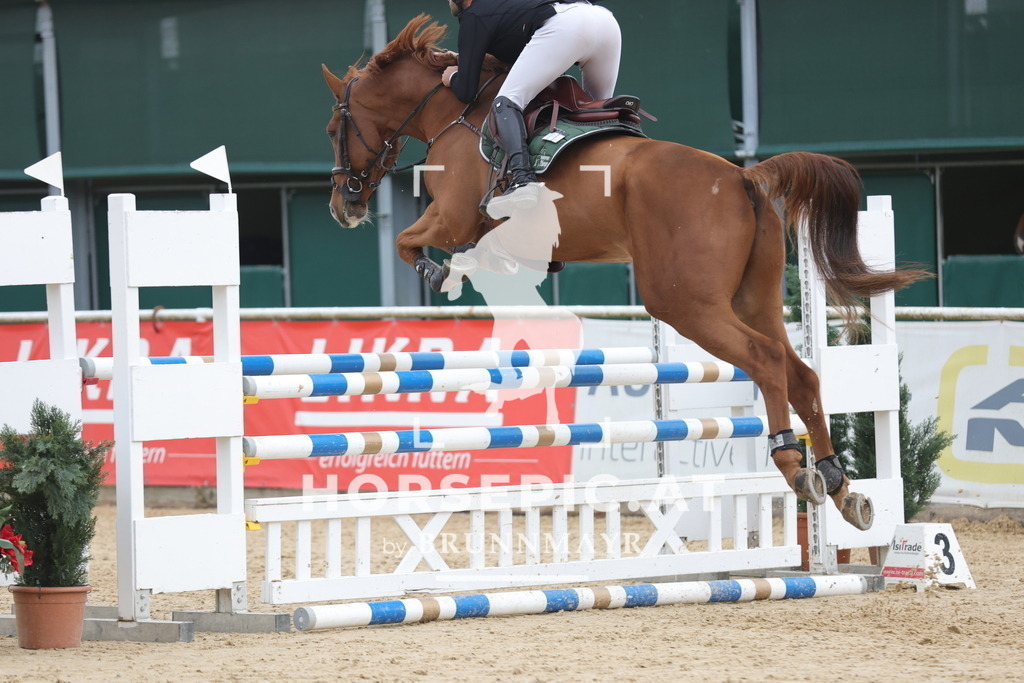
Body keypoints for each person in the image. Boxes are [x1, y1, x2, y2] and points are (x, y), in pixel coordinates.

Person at [442, 0, 621, 217]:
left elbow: (466, 91)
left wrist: (452, 76)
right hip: (604, 21)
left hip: (567, 25)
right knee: (597, 112)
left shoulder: (474, 14)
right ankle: (612, 170)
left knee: (505, 102)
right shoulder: (502, 7)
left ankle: (523, 182)